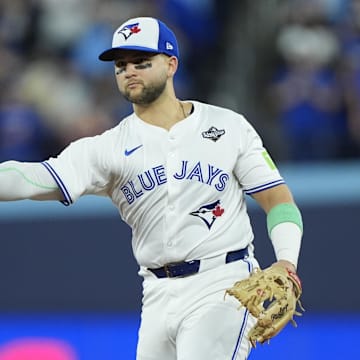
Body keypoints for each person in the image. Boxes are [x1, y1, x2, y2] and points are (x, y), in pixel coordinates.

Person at [0, 17, 303, 359]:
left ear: (171, 64)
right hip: (157, 294)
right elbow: (35, 178)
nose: (129, 71)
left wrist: (286, 262)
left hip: (223, 283)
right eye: (121, 65)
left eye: (142, 62)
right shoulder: (108, 147)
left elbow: (277, 198)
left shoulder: (227, 127)